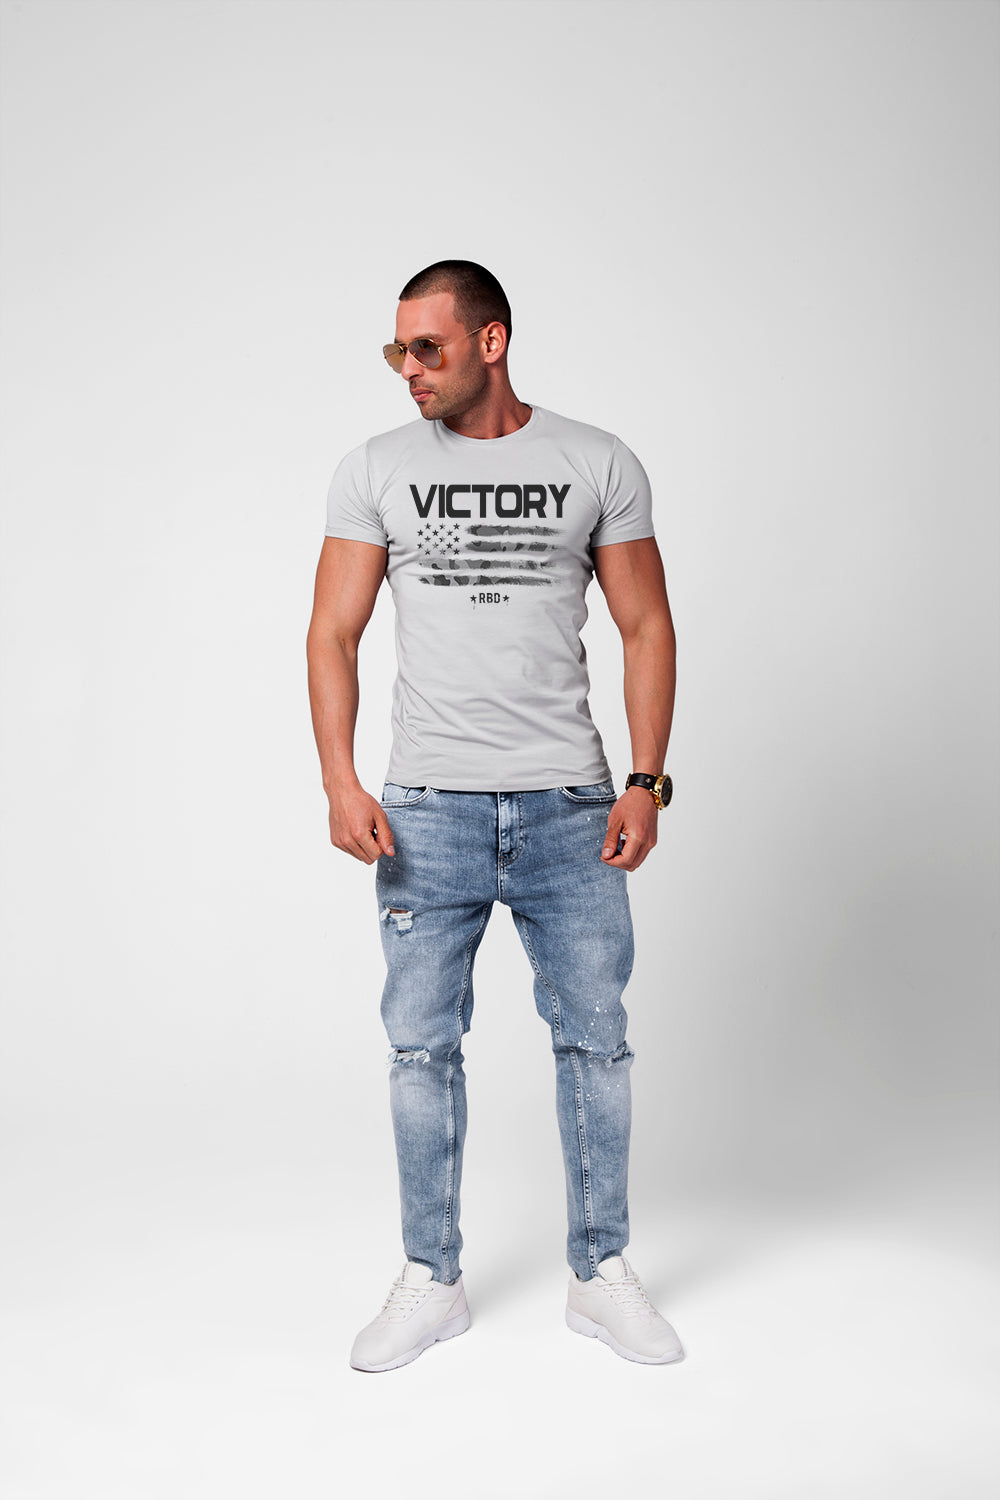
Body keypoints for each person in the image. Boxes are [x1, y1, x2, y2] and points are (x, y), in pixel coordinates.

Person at [307, 260, 682, 1372]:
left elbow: (646, 625)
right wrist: (339, 780)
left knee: (596, 1042)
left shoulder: (596, 460)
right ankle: (432, 1278)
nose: (407, 369)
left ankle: (598, 1274)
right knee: (420, 1048)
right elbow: (331, 633)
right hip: (427, 811)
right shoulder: (374, 469)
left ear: (491, 340)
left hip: (571, 807)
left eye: (425, 347)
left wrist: (646, 780)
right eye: (396, 350)